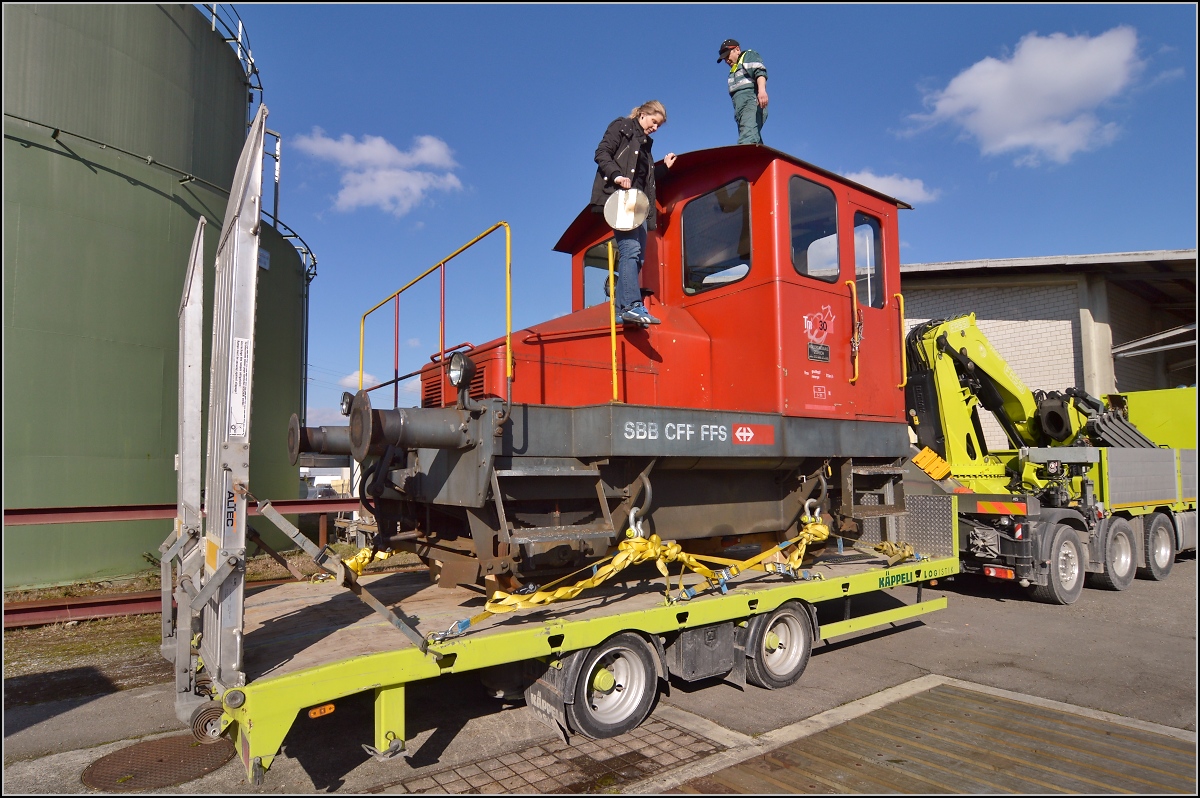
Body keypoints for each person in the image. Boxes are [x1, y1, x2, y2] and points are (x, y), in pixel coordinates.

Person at [591, 100, 677, 326]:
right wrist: (617, 176)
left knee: (637, 256)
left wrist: (663, 168)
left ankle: (621, 310)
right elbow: (602, 153)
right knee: (631, 249)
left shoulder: (646, 145)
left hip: (637, 204)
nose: (655, 128)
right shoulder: (622, 126)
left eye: (659, 125)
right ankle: (631, 305)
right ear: (642, 113)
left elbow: (645, 181)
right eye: (653, 121)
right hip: (620, 199)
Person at [717, 39, 768, 144]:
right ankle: (760, 157)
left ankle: (745, 157)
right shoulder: (733, 71)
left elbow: (760, 72)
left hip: (750, 102)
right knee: (751, 134)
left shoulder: (748, 56)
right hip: (740, 110)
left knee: (748, 137)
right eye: (724, 59)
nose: (727, 60)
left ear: (737, 49)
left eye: (728, 56)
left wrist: (762, 91)